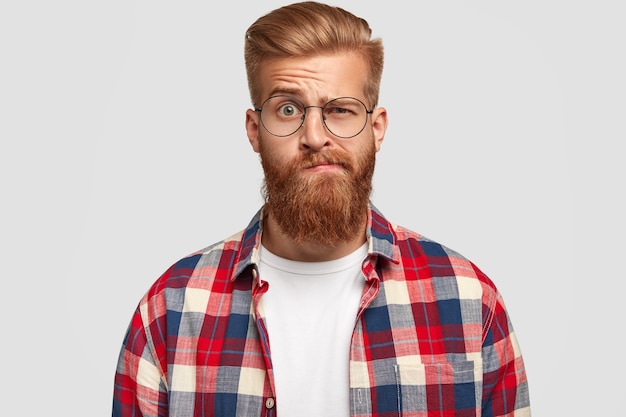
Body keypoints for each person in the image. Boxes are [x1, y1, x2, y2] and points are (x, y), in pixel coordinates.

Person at [112, 2, 531, 416]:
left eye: (340, 110)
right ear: (255, 131)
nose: (315, 136)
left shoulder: (468, 301)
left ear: (377, 127)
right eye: (288, 109)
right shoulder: (171, 309)